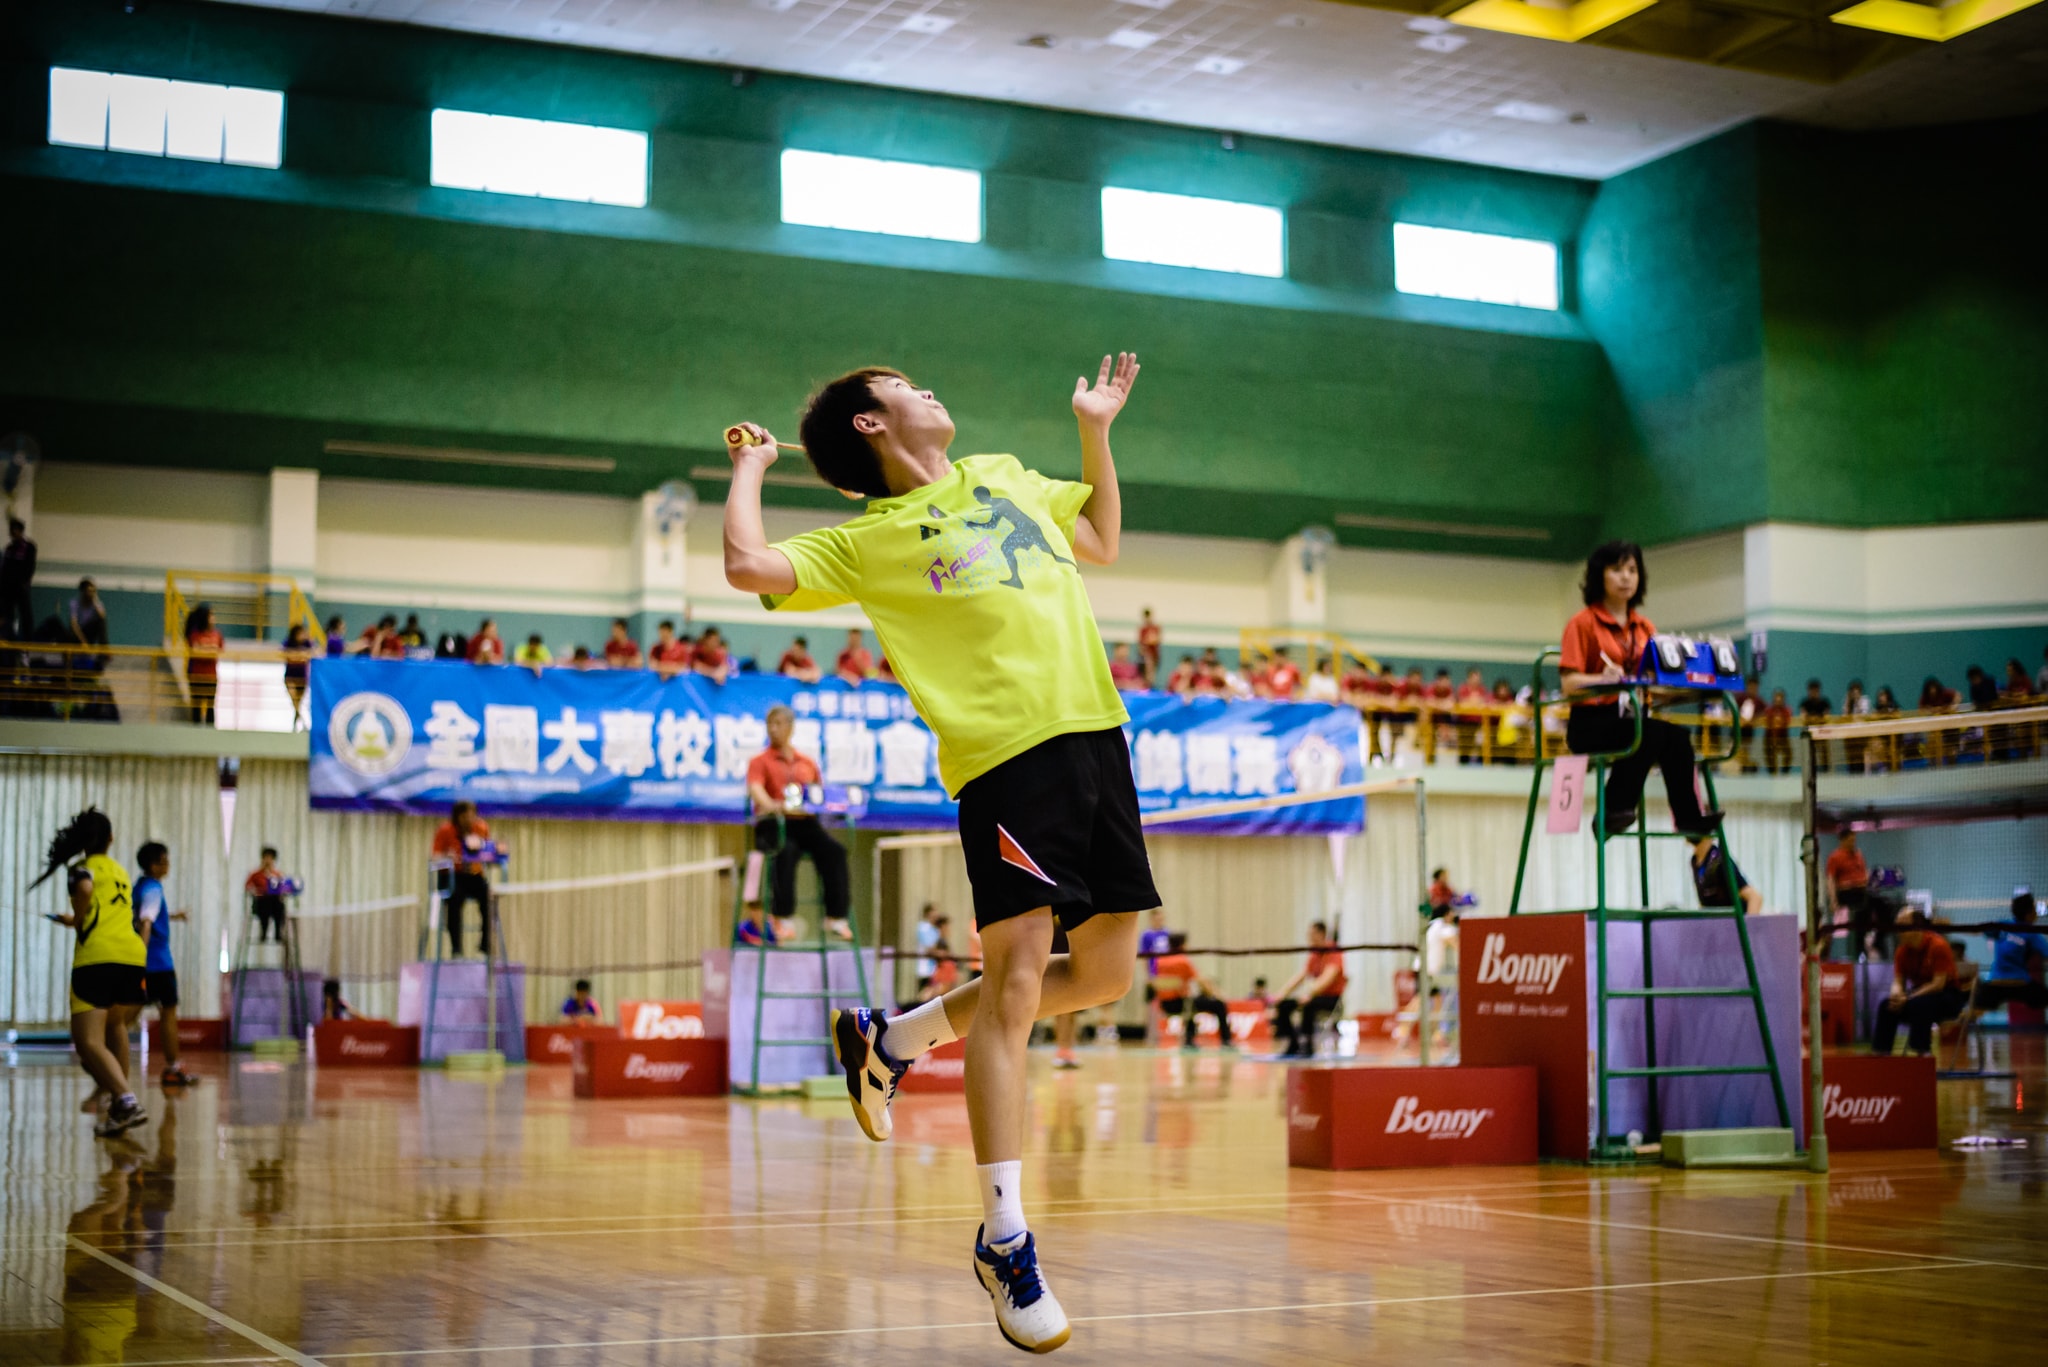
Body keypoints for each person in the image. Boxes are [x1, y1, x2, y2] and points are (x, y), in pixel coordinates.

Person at [725, 353, 1151, 1353]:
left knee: (1102, 976)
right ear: (870, 423)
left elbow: (1098, 538)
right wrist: (750, 467)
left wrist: (1094, 430)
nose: (927, 390)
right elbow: (748, 566)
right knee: (1015, 989)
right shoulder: (867, 539)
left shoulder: (1002, 474)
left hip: (1098, 738)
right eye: (905, 386)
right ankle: (1006, 1239)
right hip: (1006, 763)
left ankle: (893, 1038)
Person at [1560, 542, 1722, 838]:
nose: (1626, 577)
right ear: (1599, 575)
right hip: (1591, 722)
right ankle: (1612, 810)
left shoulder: (1645, 627)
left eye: (1632, 570)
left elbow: (1653, 683)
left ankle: (1688, 818)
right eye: (1616, 569)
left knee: (1678, 737)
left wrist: (1686, 692)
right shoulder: (1582, 623)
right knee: (1648, 732)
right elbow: (1568, 684)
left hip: (1633, 717)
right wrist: (1602, 679)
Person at [34, 807, 149, 1137]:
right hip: (132, 956)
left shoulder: (81, 869)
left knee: (87, 1041)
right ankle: (118, 1108)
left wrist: (79, 920)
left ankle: (125, 1098)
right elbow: (105, 910)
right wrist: (75, 919)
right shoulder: (119, 870)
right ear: (111, 839)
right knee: (115, 1026)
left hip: (98, 958)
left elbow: (85, 892)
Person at [746, 704, 853, 940]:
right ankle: (782, 916)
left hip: (804, 823)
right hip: (772, 823)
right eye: (770, 724)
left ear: (791, 728)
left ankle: (836, 916)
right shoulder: (759, 761)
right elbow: (756, 789)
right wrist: (773, 805)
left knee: (835, 851)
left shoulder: (807, 762)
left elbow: (818, 794)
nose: (773, 729)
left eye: (778, 724)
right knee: (785, 851)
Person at [134, 841, 198, 1089]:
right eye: (165, 860)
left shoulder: (140, 886)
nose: (168, 864)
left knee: (128, 1013)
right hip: (157, 964)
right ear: (154, 865)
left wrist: (173, 916)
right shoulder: (153, 888)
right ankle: (173, 1069)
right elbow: (146, 922)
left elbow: (146, 915)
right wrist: (140, 959)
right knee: (168, 1014)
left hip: (146, 963)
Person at [1874, 907, 1966, 1056]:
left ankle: (1922, 1053)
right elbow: (1898, 981)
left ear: (1917, 927)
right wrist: (1896, 996)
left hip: (1948, 997)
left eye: (1902, 925)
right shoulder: (1902, 951)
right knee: (1887, 1006)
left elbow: (1938, 984)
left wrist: (1908, 997)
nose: (1898, 930)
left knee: (1920, 1005)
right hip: (1920, 994)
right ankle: (1882, 1054)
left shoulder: (1938, 945)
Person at [431, 801, 500, 956]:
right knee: (454, 898)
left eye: (472, 816)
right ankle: (456, 948)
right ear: (458, 817)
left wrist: (492, 854)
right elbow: (434, 857)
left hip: (473, 876)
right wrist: (447, 857)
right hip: (450, 876)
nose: (469, 820)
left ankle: (485, 944)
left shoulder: (481, 828)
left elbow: (488, 854)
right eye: (465, 817)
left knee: (489, 897)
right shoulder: (445, 830)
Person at [1272, 920, 1346, 1058]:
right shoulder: (1315, 954)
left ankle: (1307, 1045)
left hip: (1331, 999)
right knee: (1284, 1005)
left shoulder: (1333, 952)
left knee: (1309, 1005)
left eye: (1312, 934)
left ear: (1321, 934)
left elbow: (1327, 978)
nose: (1309, 937)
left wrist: (1309, 994)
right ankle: (1293, 1043)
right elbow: (1302, 975)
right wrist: (1282, 993)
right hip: (1313, 995)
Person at [1151, 932, 1232, 1049]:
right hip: (1182, 1003)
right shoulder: (1182, 960)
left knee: (1190, 1002)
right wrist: (1216, 994)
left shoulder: (1160, 961)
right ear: (1182, 945)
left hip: (1164, 1005)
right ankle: (1226, 1040)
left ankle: (1189, 1039)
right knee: (1219, 1005)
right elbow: (1201, 981)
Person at [1975, 894, 2048, 1014]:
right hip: (2018, 983)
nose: (2036, 913)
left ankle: (1964, 1021)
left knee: (1977, 1007)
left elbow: (1975, 930)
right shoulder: (2031, 932)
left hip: (1998, 982)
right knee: (2042, 997)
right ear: (2028, 913)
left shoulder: (2003, 925)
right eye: (2034, 910)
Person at [1687, 833, 1763, 916]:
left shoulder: (1719, 860)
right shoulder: (1695, 861)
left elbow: (1754, 898)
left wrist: (1747, 923)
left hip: (1731, 921)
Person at [1825, 830, 1870, 960]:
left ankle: (1865, 945)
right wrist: (1833, 900)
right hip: (1846, 893)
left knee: (1878, 903)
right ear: (1843, 840)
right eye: (1850, 840)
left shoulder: (1858, 855)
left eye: (1854, 840)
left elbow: (1865, 873)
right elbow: (1831, 879)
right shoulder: (1835, 857)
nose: (1853, 843)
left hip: (1861, 892)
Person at [243, 847, 297, 944]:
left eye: (270, 858)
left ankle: (278, 933)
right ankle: (264, 931)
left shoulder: (278, 874)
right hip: (260, 903)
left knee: (278, 904)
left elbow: (285, 888)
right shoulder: (255, 874)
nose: (268, 860)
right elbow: (248, 887)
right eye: (266, 857)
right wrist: (256, 891)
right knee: (266, 902)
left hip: (275, 904)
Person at [183, 604, 223, 726]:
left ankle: (211, 731)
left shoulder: (217, 634)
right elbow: (196, 651)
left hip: (211, 676)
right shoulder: (194, 635)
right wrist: (209, 649)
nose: (213, 617)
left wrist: (204, 649)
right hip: (196, 675)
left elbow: (218, 650)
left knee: (210, 706)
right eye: (211, 615)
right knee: (196, 707)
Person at [2, 516, 35, 640]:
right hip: (7, 588)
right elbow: (4, 569)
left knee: (25, 614)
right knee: (7, 614)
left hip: (21, 586)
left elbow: (30, 566)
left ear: (20, 531)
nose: (12, 533)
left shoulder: (29, 547)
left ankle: (28, 641)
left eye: (15, 530)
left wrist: (25, 582)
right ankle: (8, 638)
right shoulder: (9, 549)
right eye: (11, 530)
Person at [282, 622, 313, 728]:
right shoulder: (288, 643)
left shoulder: (307, 643)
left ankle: (296, 719)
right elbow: (285, 654)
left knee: (298, 701)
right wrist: (299, 656)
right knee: (294, 698)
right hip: (290, 675)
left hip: (302, 676)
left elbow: (312, 653)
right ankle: (302, 720)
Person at [1799, 678, 1832, 770]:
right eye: (1811, 690)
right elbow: (1803, 716)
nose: (1813, 692)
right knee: (1810, 753)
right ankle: (1810, 770)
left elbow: (1827, 716)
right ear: (1808, 691)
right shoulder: (1805, 703)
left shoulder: (1824, 703)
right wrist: (1813, 719)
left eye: (1816, 690)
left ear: (1819, 691)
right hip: (1809, 734)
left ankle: (1825, 769)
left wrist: (1815, 719)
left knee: (1824, 752)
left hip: (1822, 732)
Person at [1762, 689, 1794, 776]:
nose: (1778, 699)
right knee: (1770, 756)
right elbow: (1767, 718)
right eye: (1776, 696)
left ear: (1783, 698)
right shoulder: (1769, 710)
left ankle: (1784, 773)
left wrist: (1779, 721)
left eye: (1780, 697)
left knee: (1788, 755)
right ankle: (1772, 773)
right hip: (1770, 737)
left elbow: (1787, 719)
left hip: (1783, 736)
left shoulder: (1787, 710)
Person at [1136, 607, 1161, 681]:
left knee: (1151, 670)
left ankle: (1150, 682)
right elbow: (1141, 644)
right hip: (1145, 654)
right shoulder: (1142, 629)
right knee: (1146, 670)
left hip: (1154, 654)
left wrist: (1149, 640)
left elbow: (1156, 640)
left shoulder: (1155, 628)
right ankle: (1146, 682)